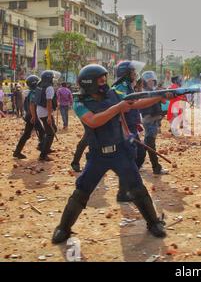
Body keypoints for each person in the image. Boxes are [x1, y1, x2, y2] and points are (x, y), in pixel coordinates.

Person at [51, 64, 170, 244]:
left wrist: (159, 96)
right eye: (100, 79)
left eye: (105, 78)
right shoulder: (80, 102)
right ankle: (63, 228)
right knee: (82, 191)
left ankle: (153, 223)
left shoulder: (113, 95)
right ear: (89, 82)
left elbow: (134, 103)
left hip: (120, 152)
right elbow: (93, 121)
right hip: (98, 155)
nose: (104, 82)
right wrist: (118, 108)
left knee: (137, 188)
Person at [112, 60, 146, 170]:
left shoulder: (128, 86)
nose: (135, 74)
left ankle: (131, 175)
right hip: (125, 127)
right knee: (135, 153)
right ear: (126, 73)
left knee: (138, 153)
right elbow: (127, 105)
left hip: (131, 125)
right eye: (133, 72)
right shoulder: (121, 87)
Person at [140, 71, 169, 175]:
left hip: (156, 119)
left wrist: (162, 93)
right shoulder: (142, 92)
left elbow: (164, 101)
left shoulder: (155, 90)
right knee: (150, 144)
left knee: (147, 144)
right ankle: (156, 168)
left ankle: (137, 164)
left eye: (153, 81)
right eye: (149, 81)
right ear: (144, 82)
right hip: (149, 119)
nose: (151, 83)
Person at [13, 75, 45, 159]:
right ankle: (43, 152)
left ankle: (17, 152)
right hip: (32, 115)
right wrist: (34, 116)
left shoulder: (30, 92)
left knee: (27, 134)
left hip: (29, 115)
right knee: (42, 132)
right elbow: (32, 105)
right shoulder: (34, 92)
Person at [33, 70, 59, 162]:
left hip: (40, 111)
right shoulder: (49, 88)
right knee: (50, 133)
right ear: (49, 79)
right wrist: (49, 116)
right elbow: (49, 102)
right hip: (45, 112)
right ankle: (43, 155)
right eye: (52, 78)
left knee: (52, 129)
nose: (53, 79)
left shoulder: (39, 86)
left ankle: (43, 146)